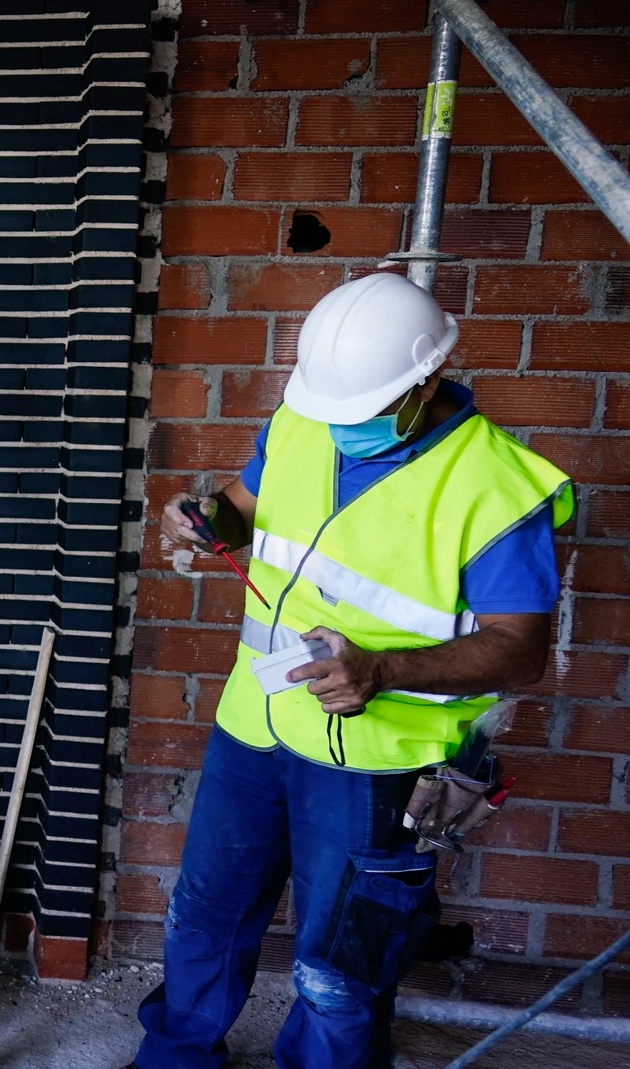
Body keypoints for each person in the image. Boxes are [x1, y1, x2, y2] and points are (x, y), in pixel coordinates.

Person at [130, 272, 571, 1069]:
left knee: (338, 966)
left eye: (360, 414)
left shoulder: (497, 487)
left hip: (377, 759)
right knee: (203, 916)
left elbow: (523, 648)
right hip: (254, 727)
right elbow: (243, 504)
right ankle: (175, 1058)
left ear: (426, 381)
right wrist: (204, 519)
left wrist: (385, 667)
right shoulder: (307, 416)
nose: (340, 428)